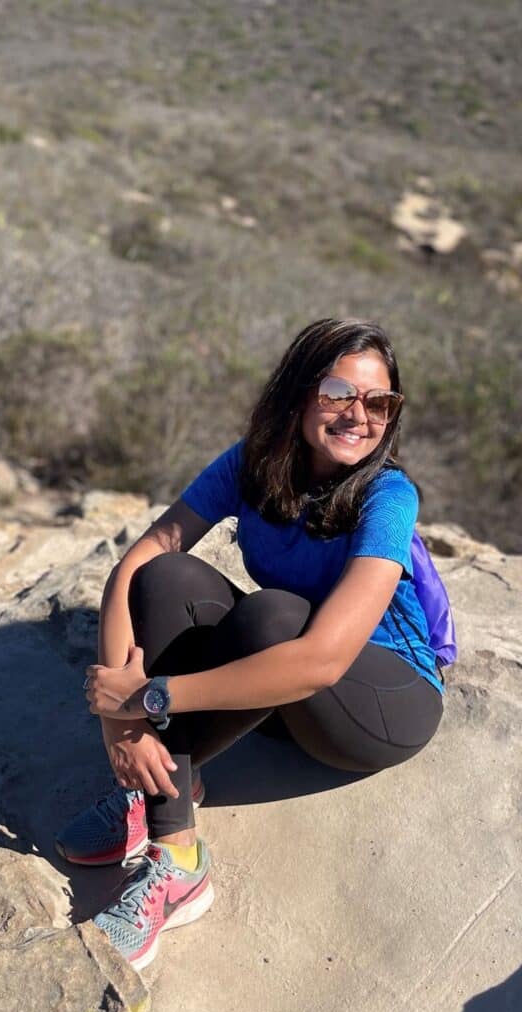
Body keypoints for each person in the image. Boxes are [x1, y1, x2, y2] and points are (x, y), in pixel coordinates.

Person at [57, 318, 445, 970]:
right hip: (277, 693)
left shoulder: (387, 495)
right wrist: (116, 724)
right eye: (338, 394)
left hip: (378, 704)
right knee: (167, 577)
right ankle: (173, 823)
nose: (359, 415)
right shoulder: (252, 464)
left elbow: (320, 659)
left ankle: (168, 835)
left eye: (379, 402)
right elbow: (137, 562)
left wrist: (146, 699)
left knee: (273, 619)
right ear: (297, 395)